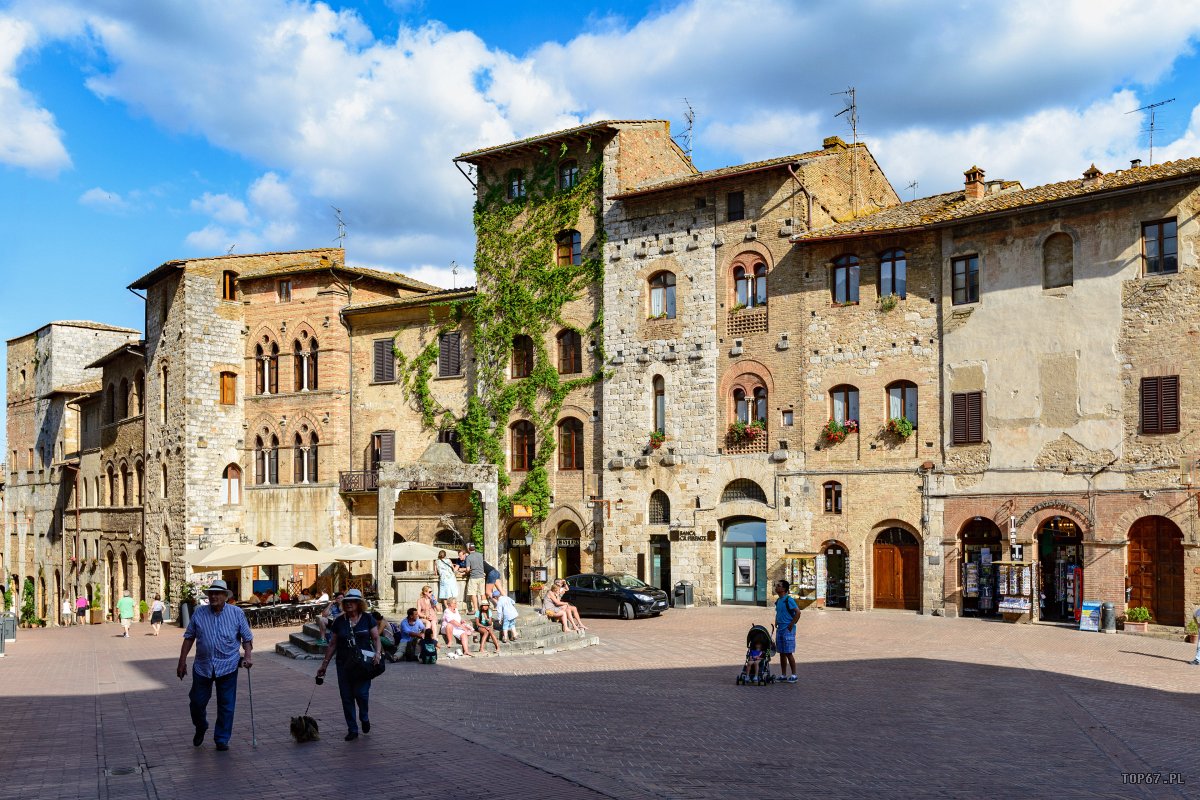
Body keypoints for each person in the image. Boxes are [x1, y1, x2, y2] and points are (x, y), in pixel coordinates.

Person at [176, 579, 253, 751]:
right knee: (196, 702)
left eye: (217, 593)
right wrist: (182, 661)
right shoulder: (199, 613)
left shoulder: (236, 613)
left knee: (226, 704)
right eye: (211, 593)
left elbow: (247, 637)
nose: (213, 596)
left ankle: (221, 738)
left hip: (228, 665)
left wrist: (247, 656)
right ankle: (201, 726)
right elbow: (189, 637)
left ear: (226, 596)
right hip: (202, 667)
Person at [316, 589, 381, 741]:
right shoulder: (339, 621)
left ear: (359, 604)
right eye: (347, 601)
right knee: (346, 697)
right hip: (343, 664)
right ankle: (352, 729)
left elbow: (376, 638)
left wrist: (377, 653)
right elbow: (332, 644)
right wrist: (324, 665)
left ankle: (364, 717)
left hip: (363, 664)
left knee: (361, 694)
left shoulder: (367, 618)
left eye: (352, 601)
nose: (349, 604)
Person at [774, 580, 801, 683]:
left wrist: (792, 624)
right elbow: (778, 612)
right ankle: (783, 675)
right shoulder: (778, 601)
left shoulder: (788, 600)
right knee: (781, 653)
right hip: (780, 629)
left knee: (788, 653)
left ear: (784, 589)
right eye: (776, 585)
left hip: (787, 630)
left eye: (778, 586)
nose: (776, 587)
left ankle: (794, 675)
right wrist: (776, 621)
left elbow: (798, 612)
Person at [462, 543, 486, 614]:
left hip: (474, 577)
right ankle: (484, 608)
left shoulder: (469, 557)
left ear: (468, 549)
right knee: (482, 593)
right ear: (474, 548)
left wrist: (464, 571)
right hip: (481, 576)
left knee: (473, 593)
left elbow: (468, 569)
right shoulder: (480, 555)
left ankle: (476, 609)